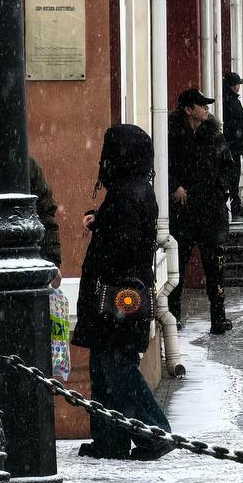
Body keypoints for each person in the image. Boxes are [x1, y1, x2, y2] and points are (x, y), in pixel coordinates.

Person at [72, 124, 174, 461]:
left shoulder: (126, 194)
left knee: (116, 371)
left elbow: (124, 246)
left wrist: (103, 227)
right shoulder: (136, 188)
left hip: (118, 300)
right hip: (123, 299)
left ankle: (153, 432)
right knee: (106, 368)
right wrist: (100, 221)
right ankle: (110, 440)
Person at [167, 89, 234, 335]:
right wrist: (174, 187)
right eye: (201, 105)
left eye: (207, 106)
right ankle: (172, 317)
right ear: (188, 109)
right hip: (182, 213)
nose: (207, 109)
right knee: (176, 268)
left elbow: (228, 167)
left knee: (215, 268)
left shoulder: (214, 135)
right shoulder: (172, 136)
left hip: (210, 212)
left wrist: (221, 191)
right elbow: (162, 167)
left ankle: (219, 317)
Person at [221, 71, 243, 217]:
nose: (238, 87)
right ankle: (235, 204)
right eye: (237, 84)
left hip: (235, 146)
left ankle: (235, 203)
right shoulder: (229, 102)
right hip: (233, 146)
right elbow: (234, 125)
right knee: (233, 177)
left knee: (234, 176)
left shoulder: (231, 100)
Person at [30, 156, 61, 279]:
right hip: (31, 261)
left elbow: (45, 215)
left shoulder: (28, 166)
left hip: (31, 262)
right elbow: (46, 215)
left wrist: (52, 262)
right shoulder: (28, 165)